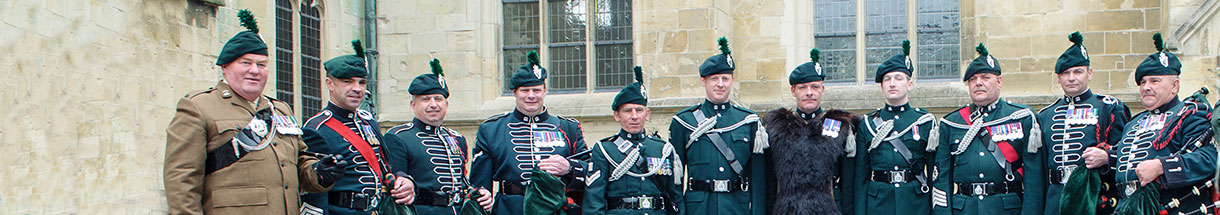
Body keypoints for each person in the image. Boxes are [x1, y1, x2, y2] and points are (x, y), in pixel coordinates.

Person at [163, 9, 341, 215]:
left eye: (261, 65)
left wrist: (319, 172)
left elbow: (299, 162)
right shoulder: (198, 107)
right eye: (245, 63)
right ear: (226, 67)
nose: (254, 70)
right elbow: (181, 179)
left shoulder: (280, 110)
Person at [1087, 33, 1216, 215]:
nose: (1146, 87)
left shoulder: (1191, 114)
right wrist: (1107, 158)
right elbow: (1129, 165)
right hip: (1127, 207)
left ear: (1175, 86)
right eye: (1143, 82)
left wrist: (1162, 166)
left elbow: (1209, 159)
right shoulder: (1135, 122)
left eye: (1155, 81)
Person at [299, 40, 414, 215]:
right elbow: (313, 190)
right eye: (348, 81)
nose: (357, 89)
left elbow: (384, 167)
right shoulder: (317, 128)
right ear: (330, 84)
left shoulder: (368, 121)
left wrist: (403, 179)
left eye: (361, 82)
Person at [930, 43, 1045, 215]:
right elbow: (941, 178)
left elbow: (1034, 179)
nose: (978, 83)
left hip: (1006, 208)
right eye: (973, 79)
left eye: (985, 77)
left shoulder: (1021, 118)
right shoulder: (951, 123)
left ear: (999, 82)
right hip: (964, 209)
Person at [470, 50, 588, 215]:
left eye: (536, 90)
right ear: (515, 93)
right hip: (509, 209)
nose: (531, 96)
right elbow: (479, 182)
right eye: (525, 91)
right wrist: (482, 195)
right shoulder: (491, 129)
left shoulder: (568, 128)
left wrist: (569, 168)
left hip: (555, 208)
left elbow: (590, 169)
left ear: (545, 91)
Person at [668, 37, 768, 215]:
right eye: (714, 78)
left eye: (725, 78)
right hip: (698, 208)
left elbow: (758, 178)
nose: (720, 84)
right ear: (703, 81)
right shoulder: (683, 122)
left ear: (732, 80)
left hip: (737, 206)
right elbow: (676, 177)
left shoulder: (749, 121)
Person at [1035, 31, 1130, 215]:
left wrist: (1106, 158)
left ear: (1089, 73)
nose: (1071, 78)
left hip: (1093, 197)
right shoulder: (1046, 114)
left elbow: (1125, 154)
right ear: (1058, 77)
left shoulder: (1108, 108)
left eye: (1078, 71)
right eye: (1065, 73)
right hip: (1055, 199)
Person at [382, 59, 494, 214]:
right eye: (425, 99)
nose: (433, 104)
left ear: (446, 104)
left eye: (438, 99)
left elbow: (461, 181)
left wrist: (479, 193)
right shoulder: (398, 137)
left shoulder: (457, 138)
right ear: (413, 105)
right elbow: (395, 181)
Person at [763, 47, 857, 215]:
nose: (809, 93)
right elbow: (768, 180)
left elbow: (849, 181)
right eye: (803, 88)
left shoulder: (840, 125)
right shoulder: (776, 127)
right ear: (793, 91)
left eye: (815, 87)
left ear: (822, 89)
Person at [583, 66, 684, 215]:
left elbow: (676, 198)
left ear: (647, 114)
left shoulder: (663, 150)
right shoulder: (605, 150)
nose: (634, 116)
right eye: (628, 111)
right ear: (617, 116)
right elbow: (594, 202)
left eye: (639, 110)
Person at [853, 40, 938, 215]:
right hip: (878, 204)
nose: (892, 83)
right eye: (887, 79)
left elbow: (934, 174)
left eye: (898, 78)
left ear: (910, 84)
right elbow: (861, 176)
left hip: (915, 203)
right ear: (882, 86)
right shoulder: (867, 123)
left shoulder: (924, 121)